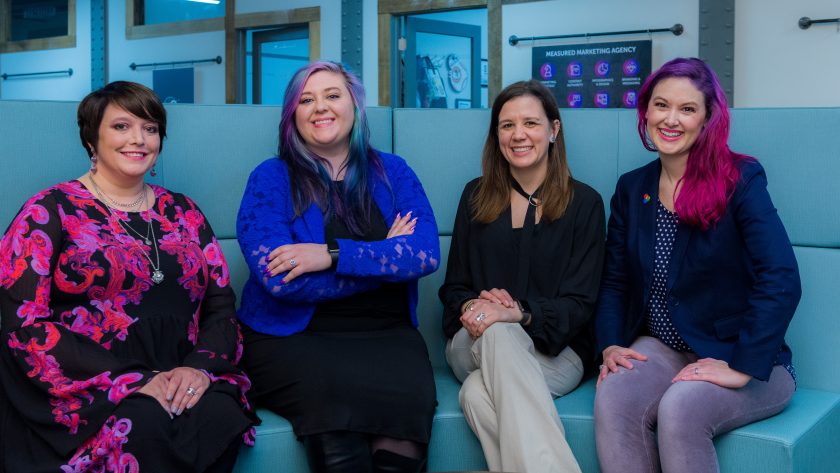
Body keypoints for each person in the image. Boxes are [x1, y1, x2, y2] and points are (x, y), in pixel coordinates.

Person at [0, 81, 256, 472]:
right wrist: (130, 380)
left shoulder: (184, 211)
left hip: (180, 370)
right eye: (121, 126)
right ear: (91, 139)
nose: (138, 139)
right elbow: (24, 324)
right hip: (86, 383)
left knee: (218, 411)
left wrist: (198, 368)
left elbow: (220, 304)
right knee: (144, 423)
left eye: (150, 128)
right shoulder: (49, 212)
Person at [594, 57, 801, 473]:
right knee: (614, 395)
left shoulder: (741, 179)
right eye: (661, 105)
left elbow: (781, 277)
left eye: (687, 109)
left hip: (746, 357)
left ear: (707, 118)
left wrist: (742, 366)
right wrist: (611, 343)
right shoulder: (633, 188)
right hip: (663, 347)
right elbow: (615, 280)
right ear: (646, 111)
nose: (671, 119)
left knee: (682, 408)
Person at [236, 61, 439, 473]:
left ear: (354, 106)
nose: (319, 108)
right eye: (306, 100)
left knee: (406, 405)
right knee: (330, 399)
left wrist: (329, 254)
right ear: (292, 114)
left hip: (388, 336)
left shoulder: (393, 171)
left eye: (332, 95)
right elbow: (279, 281)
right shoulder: (270, 178)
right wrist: (383, 258)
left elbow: (424, 254)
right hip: (294, 338)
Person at [438, 80, 605, 473]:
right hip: (474, 341)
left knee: (478, 396)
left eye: (530, 122)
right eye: (506, 125)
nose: (518, 135)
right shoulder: (475, 196)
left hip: (556, 355)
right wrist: (477, 307)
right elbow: (453, 287)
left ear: (554, 130)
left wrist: (519, 314)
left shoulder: (586, 204)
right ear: (496, 134)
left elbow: (580, 305)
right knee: (497, 332)